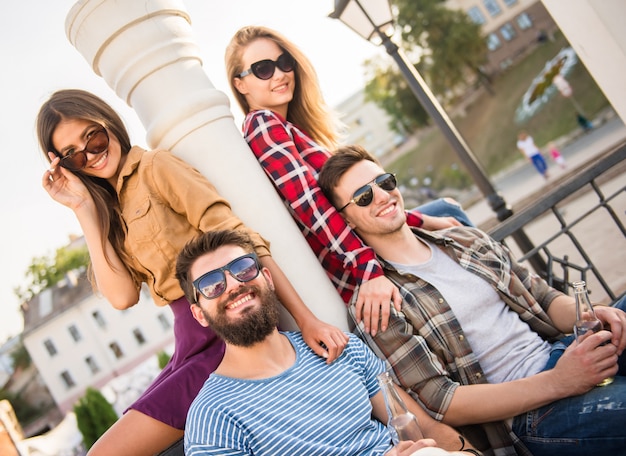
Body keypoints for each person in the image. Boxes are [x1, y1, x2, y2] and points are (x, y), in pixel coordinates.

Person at [37, 89, 348, 455]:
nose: (90, 155)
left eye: (94, 138)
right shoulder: (110, 210)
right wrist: (83, 207)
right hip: (188, 341)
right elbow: (122, 297)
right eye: (73, 156)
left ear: (109, 123)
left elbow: (241, 240)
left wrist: (306, 319)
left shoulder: (156, 168)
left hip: (225, 332)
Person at [318, 144, 626, 456]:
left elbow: (543, 298)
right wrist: (559, 381)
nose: (383, 196)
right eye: (364, 197)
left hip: (565, 352)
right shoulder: (377, 304)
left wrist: (595, 312)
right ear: (347, 221)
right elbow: (442, 401)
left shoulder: (465, 239)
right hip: (529, 416)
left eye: (384, 182)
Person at [225, 25, 473, 337]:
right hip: (359, 260)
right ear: (240, 84)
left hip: (368, 242)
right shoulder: (262, 124)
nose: (279, 74)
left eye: (284, 62)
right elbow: (310, 203)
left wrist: (421, 220)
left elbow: (355, 203)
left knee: (447, 215)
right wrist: (366, 268)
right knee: (455, 220)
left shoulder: (290, 128)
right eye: (263, 69)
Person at [175, 229, 482, 456]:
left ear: (268, 278)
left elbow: (425, 428)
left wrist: (469, 454)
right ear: (199, 315)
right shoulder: (213, 416)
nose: (234, 285)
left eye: (243, 269)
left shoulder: (339, 347)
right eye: (211, 284)